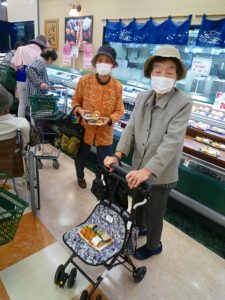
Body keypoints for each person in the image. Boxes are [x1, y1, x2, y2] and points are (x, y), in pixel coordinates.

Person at [104, 45, 193, 260]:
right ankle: (141, 228)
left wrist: (148, 170)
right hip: (138, 168)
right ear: (150, 73)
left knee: (155, 212)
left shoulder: (183, 103)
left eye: (170, 71)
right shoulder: (143, 97)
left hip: (160, 174)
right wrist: (117, 155)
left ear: (177, 76)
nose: (163, 76)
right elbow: (131, 128)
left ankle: (154, 245)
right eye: (158, 70)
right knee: (139, 204)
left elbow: (172, 142)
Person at [72, 45, 124, 188]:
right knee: (81, 157)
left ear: (112, 65)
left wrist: (109, 119)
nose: (103, 63)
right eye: (100, 60)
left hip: (105, 132)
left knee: (105, 162)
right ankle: (80, 176)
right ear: (95, 63)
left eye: (107, 61)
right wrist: (80, 111)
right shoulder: (85, 80)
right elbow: (75, 101)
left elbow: (120, 110)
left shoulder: (117, 86)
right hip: (85, 128)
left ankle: (99, 183)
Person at [11, 35, 48, 117]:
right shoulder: (41, 53)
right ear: (42, 45)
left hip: (20, 78)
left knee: (22, 103)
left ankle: (21, 125)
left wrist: (20, 68)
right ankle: (33, 126)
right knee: (32, 104)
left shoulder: (21, 48)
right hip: (32, 81)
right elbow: (43, 69)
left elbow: (13, 62)